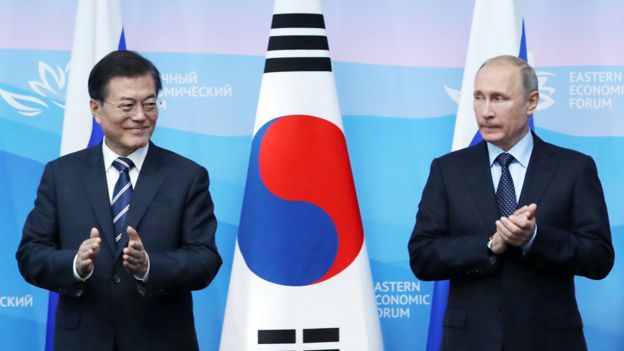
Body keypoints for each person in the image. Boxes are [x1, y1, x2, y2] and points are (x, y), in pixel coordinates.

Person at [16, 50, 222, 351]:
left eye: (150, 104)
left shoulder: (187, 176)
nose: (140, 116)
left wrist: (149, 266)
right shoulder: (61, 175)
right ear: (96, 109)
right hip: (83, 341)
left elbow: (205, 259)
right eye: (127, 105)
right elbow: (30, 255)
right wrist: (75, 264)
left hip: (162, 341)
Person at [408, 55, 614, 351]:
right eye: (479, 98)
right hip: (471, 342)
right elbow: (422, 256)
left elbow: (599, 257)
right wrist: (490, 244)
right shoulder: (447, 170)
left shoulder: (574, 168)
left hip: (550, 341)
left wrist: (534, 239)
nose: (486, 111)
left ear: (531, 102)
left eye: (499, 98)